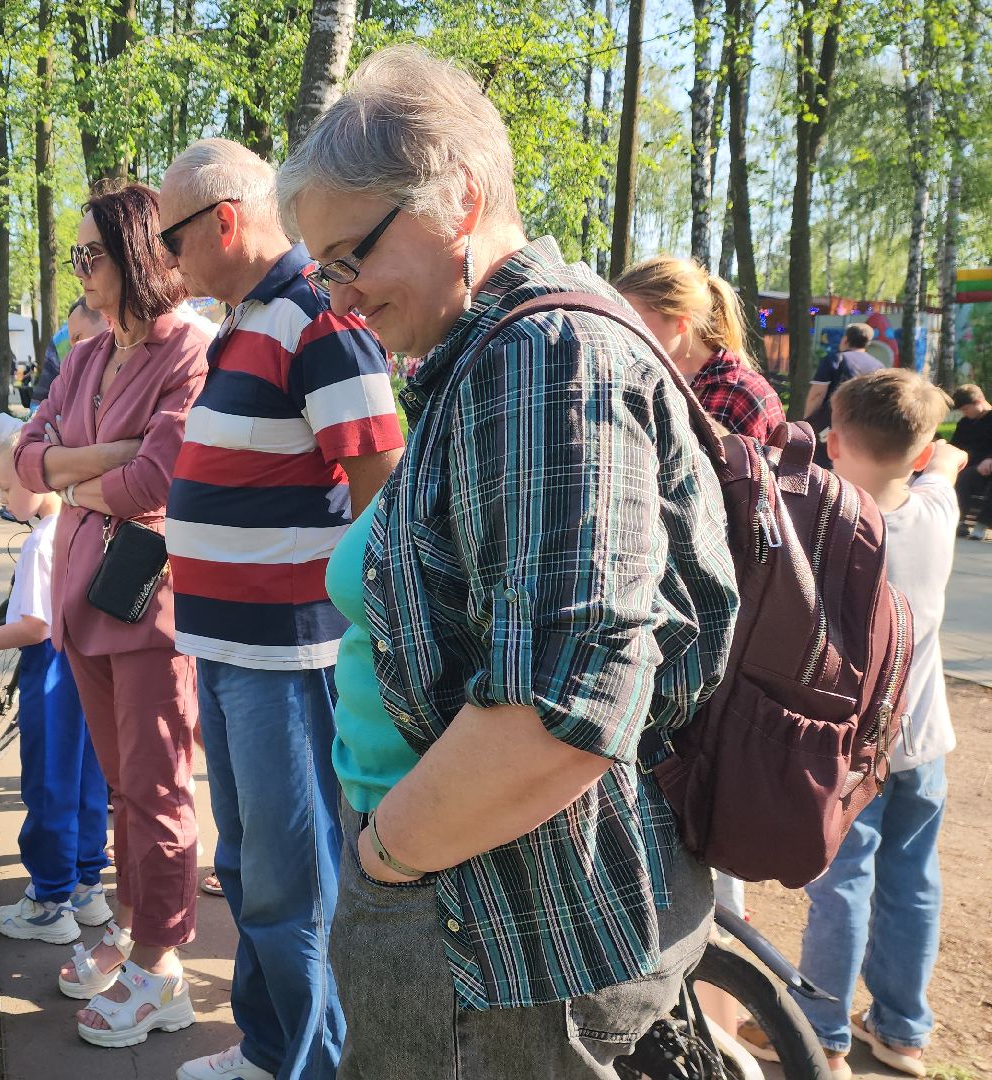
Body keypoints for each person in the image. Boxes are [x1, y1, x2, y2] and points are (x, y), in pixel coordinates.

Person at [279, 46, 736, 1077]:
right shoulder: (488, 351)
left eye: (349, 256)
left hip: (494, 923)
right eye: (324, 270)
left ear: (461, 199)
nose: (340, 299)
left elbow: (563, 705)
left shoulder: (542, 360)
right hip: (474, 893)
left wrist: (385, 857)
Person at [154, 138, 405, 1080]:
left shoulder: (318, 323)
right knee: (252, 869)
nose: (167, 265)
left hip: (292, 658)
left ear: (224, 219)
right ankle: (270, 1050)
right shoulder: (250, 319)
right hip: (231, 649)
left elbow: (385, 494)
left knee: (291, 886)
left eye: (173, 240)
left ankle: (308, 1063)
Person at [12, 181, 212, 1050]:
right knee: (121, 788)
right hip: (81, 599)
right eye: (77, 256)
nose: (80, 270)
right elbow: (24, 458)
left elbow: (160, 479)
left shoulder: (190, 350)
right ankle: (136, 931)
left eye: (90, 254)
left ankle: (164, 970)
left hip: (146, 600)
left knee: (159, 787)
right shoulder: (89, 357)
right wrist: (99, 462)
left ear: (136, 255)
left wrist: (72, 472)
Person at [767, 369, 964, 1080]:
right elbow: (948, 460)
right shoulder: (937, 509)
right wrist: (934, 447)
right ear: (917, 453)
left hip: (851, 745)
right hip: (923, 743)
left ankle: (823, 1034)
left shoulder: (825, 525)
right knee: (914, 880)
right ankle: (903, 1032)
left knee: (842, 882)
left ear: (834, 442)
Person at [0, 440, 113, 945]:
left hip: (52, 673)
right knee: (88, 777)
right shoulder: (87, 522)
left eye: (8, 486)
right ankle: (86, 885)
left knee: (49, 782)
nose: (2, 497)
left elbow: (34, 626)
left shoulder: (41, 542)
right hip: (92, 666)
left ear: (40, 479)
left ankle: (50, 902)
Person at [616, 255, 787, 443]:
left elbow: (762, 470)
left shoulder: (745, 395)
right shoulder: (637, 382)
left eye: (635, 321)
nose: (624, 333)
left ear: (681, 322)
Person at [804, 323, 884, 435]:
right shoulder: (878, 366)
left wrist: (807, 422)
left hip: (831, 425)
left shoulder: (835, 359)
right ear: (867, 343)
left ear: (845, 339)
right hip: (863, 427)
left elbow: (817, 394)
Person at [948, 385, 992, 538]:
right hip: (972, 467)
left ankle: (981, 524)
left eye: (966, 409)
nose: (964, 413)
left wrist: (989, 459)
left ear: (979, 401)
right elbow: (955, 446)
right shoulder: (965, 423)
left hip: (988, 466)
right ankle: (960, 522)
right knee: (962, 475)